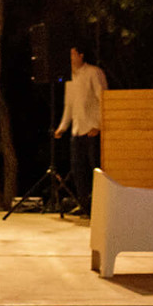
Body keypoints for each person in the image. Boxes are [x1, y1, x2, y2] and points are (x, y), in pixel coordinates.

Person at [54, 44, 108, 216]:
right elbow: (69, 107)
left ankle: (101, 207)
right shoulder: (70, 78)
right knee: (78, 169)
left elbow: (104, 99)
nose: (70, 58)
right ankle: (83, 204)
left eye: (72, 54)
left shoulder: (93, 72)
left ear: (81, 55)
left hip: (92, 129)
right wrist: (62, 128)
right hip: (77, 130)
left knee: (96, 169)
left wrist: (100, 125)